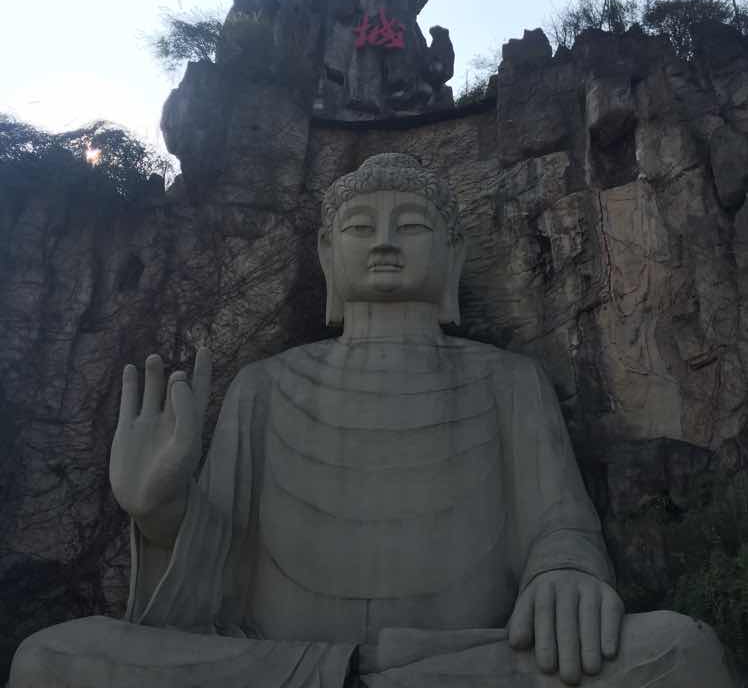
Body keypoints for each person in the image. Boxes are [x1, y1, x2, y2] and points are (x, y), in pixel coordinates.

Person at [10, 154, 738, 687]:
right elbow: (217, 579)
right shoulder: (264, 386)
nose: (385, 241)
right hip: (281, 671)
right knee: (50, 659)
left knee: (682, 650)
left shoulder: (508, 379)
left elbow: (559, 526)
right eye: (360, 227)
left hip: (453, 668)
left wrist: (566, 576)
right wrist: (163, 514)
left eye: (411, 225)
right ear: (328, 255)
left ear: (453, 254)